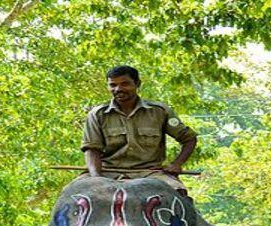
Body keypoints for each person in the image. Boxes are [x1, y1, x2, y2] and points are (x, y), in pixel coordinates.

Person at [81, 65, 198, 194]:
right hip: (108, 173)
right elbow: (92, 149)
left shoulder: (160, 112)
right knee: (72, 195)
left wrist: (176, 164)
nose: (118, 89)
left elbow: (189, 139)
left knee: (179, 193)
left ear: (137, 84)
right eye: (113, 85)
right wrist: (97, 178)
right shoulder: (97, 114)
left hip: (151, 174)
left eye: (125, 84)